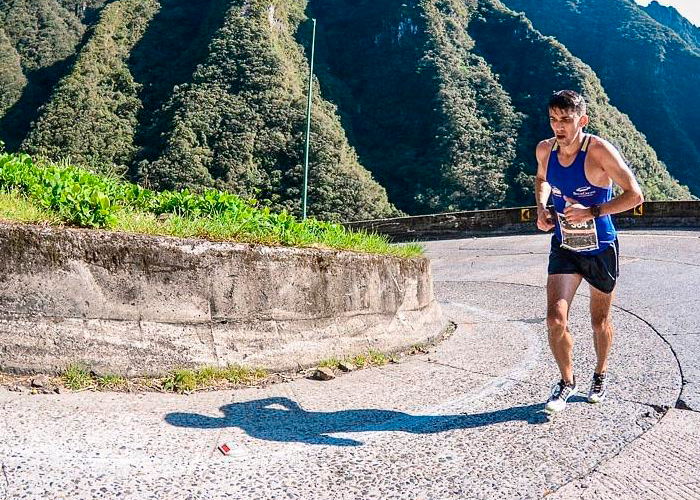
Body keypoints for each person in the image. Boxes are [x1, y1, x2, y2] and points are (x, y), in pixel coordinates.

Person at [535, 90, 644, 413]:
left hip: (600, 248)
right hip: (565, 246)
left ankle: (600, 373)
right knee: (555, 319)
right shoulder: (545, 149)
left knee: (599, 322)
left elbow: (635, 195)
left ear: (582, 121)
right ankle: (567, 382)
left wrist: (593, 211)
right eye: (554, 120)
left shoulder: (599, 151)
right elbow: (542, 179)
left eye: (566, 120)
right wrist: (541, 208)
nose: (559, 127)